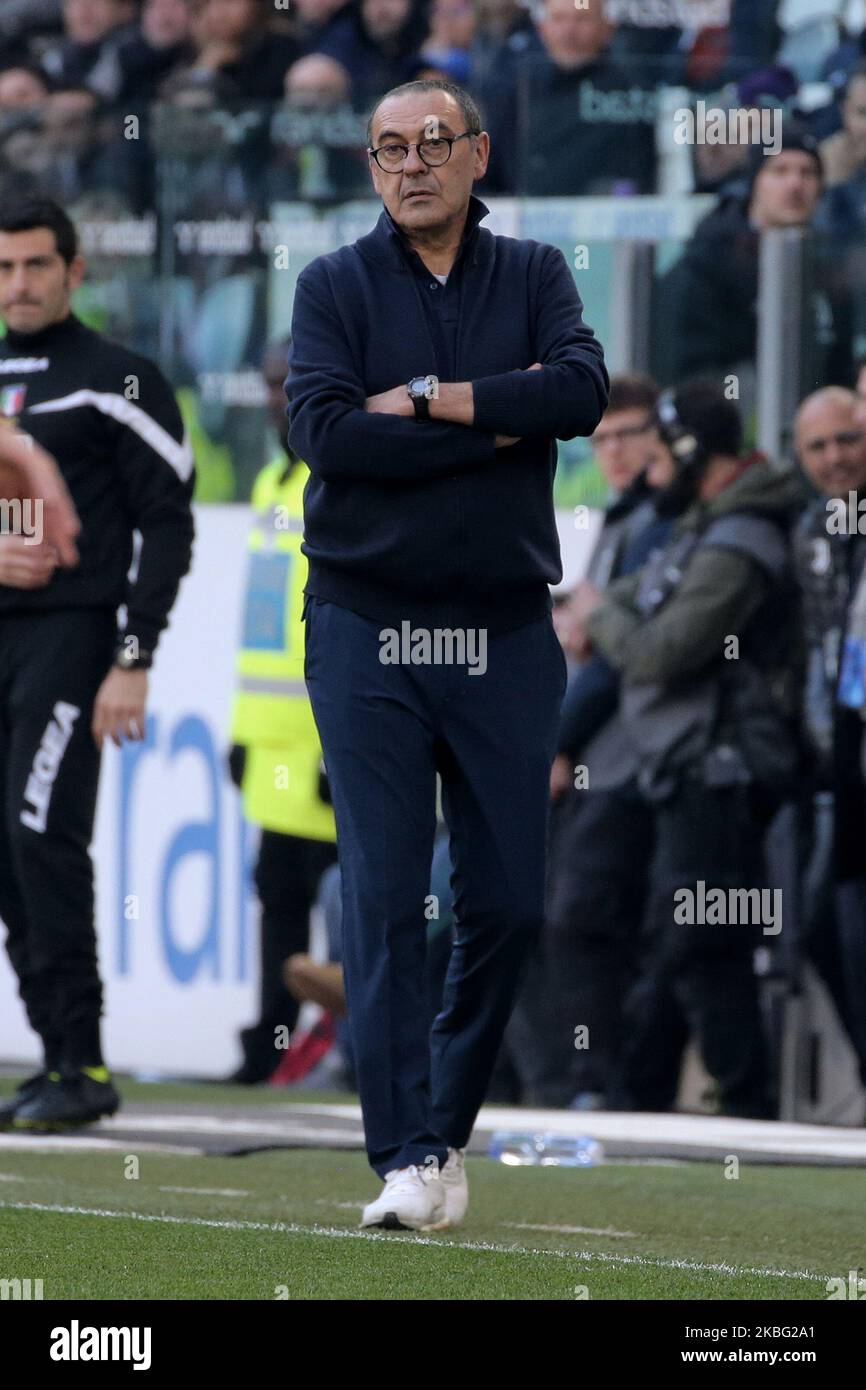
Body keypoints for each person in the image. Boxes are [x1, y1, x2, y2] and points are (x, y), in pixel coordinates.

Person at [287, 77, 607, 1229]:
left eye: (431, 143)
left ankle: (444, 1129)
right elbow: (322, 431)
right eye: (386, 148)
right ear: (369, 167)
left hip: (502, 629)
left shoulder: (532, 273)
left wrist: (420, 404)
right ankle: (405, 1153)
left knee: (509, 901)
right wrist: (493, 421)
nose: (409, 163)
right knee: (381, 897)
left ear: (476, 155)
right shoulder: (332, 284)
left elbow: (579, 391)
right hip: (366, 623)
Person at [0, 196, 194, 1130]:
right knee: (6, 847)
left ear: (75, 272)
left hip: (71, 637)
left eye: (36, 266)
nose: (19, 285)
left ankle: (84, 1062)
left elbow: (170, 520)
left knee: (41, 829)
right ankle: (54, 1058)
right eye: (3, 269)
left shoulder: (118, 378)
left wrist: (135, 653)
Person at [581, 381, 803, 1118]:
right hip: (686, 769)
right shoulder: (703, 526)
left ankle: (719, 1107)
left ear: (688, 452)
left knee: (701, 942)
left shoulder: (739, 540)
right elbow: (624, 605)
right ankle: (676, 1101)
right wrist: (608, 613)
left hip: (721, 771)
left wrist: (601, 619)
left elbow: (655, 651)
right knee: (691, 944)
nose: (645, 471)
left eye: (655, 454)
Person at [226, 337, 338, 1085]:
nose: (277, 400)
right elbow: (262, 630)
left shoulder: (335, 483)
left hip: (329, 745)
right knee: (279, 904)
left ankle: (345, 1051)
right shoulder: (275, 481)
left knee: (350, 906)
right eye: (270, 386)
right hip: (273, 748)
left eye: (289, 386)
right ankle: (269, 1043)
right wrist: (240, 734)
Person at [793, 387, 866, 1093]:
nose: (835, 457)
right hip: (839, 759)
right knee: (823, 928)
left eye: (846, 438)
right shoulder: (812, 529)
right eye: (816, 446)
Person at [655, 129, 824, 388]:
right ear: (754, 182)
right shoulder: (704, 266)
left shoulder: (832, 263)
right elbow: (684, 366)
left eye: (807, 172)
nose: (795, 184)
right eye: (779, 171)